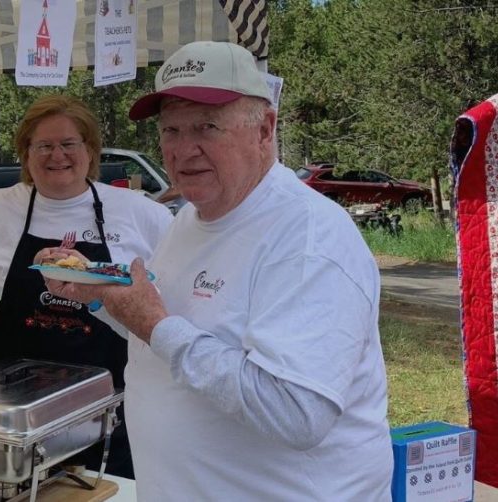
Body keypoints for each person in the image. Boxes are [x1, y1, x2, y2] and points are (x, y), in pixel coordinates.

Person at [45, 41, 394, 499]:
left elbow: (295, 411)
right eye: (170, 130)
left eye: (206, 127)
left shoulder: (308, 238)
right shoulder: (191, 217)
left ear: (264, 130)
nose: (183, 149)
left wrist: (153, 324)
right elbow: (170, 327)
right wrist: (97, 293)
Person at [0, 94, 173, 478]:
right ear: (26, 153)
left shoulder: (141, 214)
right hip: (17, 420)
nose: (57, 155)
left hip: (111, 415)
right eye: (44, 146)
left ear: (90, 150)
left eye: (69, 143)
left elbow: (173, 289)